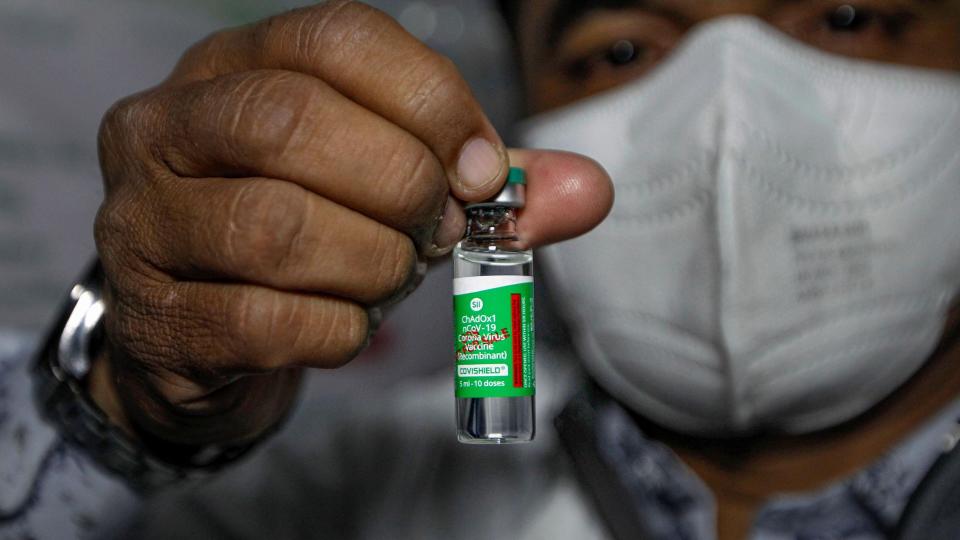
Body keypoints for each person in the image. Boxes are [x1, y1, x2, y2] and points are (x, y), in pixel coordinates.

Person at [2, 1, 960, 538]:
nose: (732, 110)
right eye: (617, 48)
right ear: (525, 106)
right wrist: (127, 405)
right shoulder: (370, 489)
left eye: (848, 15)